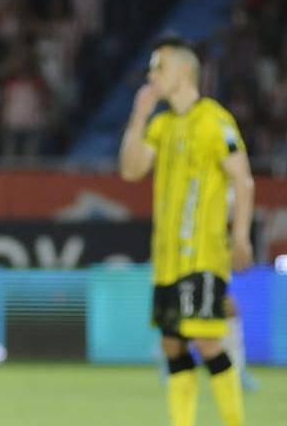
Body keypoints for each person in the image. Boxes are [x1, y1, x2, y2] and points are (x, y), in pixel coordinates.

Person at [119, 37, 253, 426]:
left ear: (182, 71)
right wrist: (138, 116)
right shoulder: (161, 125)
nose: (151, 76)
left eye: (158, 68)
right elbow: (130, 171)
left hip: (203, 254)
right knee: (171, 343)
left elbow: (243, 181)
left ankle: (234, 422)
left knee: (207, 340)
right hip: (167, 259)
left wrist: (241, 235)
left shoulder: (215, 121)